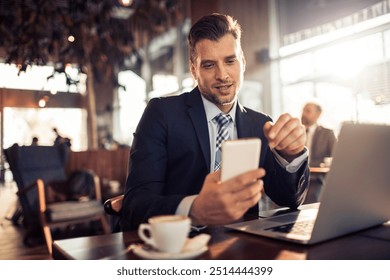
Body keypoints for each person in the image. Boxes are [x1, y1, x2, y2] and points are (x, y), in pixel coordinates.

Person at [120, 13, 309, 231]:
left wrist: (291, 156)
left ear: (243, 63)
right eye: (209, 65)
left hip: (244, 246)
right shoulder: (162, 114)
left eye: (230, 61)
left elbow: (290, 199)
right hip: (182, 248)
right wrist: (193, 210)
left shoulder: (261, 124)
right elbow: (136, 204)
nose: (222, 75)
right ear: (194, 70)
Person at [301, 102, 337, 203]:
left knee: (312, 195)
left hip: (317, 178)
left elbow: (336, 157)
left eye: (308, 111)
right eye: (303, 110)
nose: (303, 113)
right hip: (297, 178)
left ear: (318, 115)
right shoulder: (296, 132)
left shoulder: (327, 133)